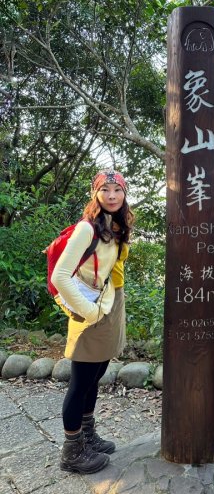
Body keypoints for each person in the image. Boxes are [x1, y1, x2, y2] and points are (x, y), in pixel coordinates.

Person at [51, 169, 134, 474]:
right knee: (81, 381)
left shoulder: (115, 224)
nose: (112, 196)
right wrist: (88, 312)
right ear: (95, 194)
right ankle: (72, 451)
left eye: (118, 190)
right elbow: (60, 276)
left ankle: (87, 435)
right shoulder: (87, 229)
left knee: (96, 374)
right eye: (105, 190)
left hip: (107, 303)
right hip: (90, 310)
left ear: (124, 194)